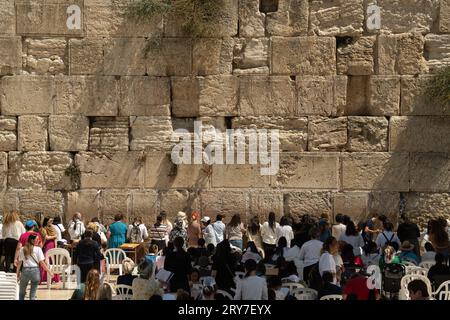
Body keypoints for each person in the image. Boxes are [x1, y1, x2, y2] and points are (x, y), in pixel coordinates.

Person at [16, 234, 52, 300]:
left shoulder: (22, 249)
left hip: (25, 271)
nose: (39, 241)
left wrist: (17, 273)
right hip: (35, 271)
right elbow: (42, 263)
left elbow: (19, 263)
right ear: (32, 240)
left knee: (21, 293)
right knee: (32, 294)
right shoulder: (38, 249)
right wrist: (49, 271)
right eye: (37, 239)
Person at [40, 217, 60, 283]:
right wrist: (54, 236)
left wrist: (56, 246)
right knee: (46, 260)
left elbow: (55, 238)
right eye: (50, 221)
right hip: (47, 245)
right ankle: (44, 277)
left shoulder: (52, 228)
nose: (51, 222)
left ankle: (53, 278)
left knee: (53, 261)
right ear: (46, 221)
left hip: (53, 245)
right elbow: (46, 237)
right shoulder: (43, 228)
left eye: (52, 221)